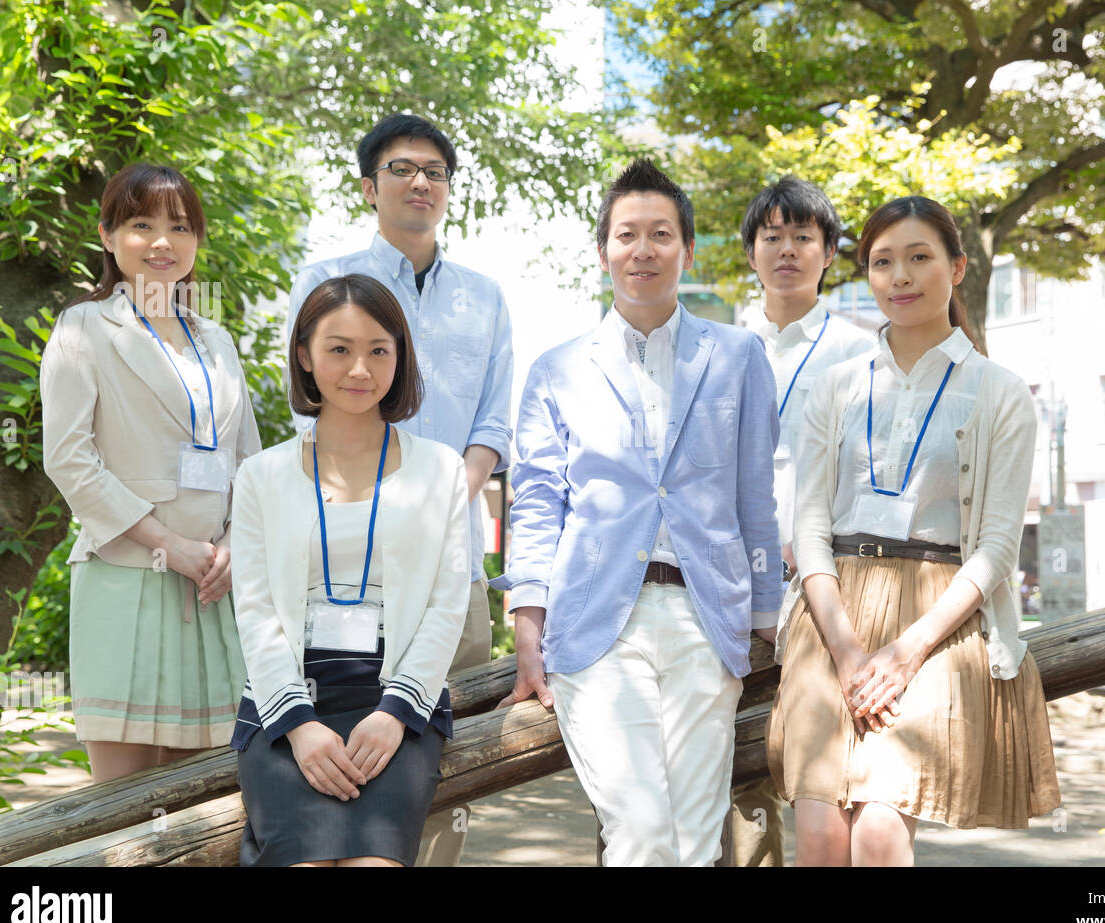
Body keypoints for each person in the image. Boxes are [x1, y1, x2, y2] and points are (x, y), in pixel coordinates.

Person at [493, 158, 782, 866]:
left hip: (705, 616)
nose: (643, 249)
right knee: (642, 830)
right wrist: (527, 628)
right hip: (596, 624)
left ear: (686, 248)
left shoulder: (739, 355)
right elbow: (536, 503)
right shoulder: (557, 368)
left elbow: (755, 498)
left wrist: (768, 618)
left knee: (693, 836)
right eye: (627, 235)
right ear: (604, 252)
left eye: (660, 234)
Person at [767, 195, 1061, 866]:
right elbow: (809, 526)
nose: (899, 276)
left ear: (957, 269)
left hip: (938, 619)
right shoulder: (836, 387)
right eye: (882, 262)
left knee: (877, 834)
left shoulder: (999, 392)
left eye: (919, 258)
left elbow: (995, 548)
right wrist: (845, 651)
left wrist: (903, 654)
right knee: (818, 837)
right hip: (831, 609)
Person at [285, 113, 512, 865]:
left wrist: (451, 492)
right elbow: (305, 411)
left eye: (436, 171)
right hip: (345, 546)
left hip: (449, 546)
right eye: (403, 169)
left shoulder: (486, 297)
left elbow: (493, 422)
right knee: (343, 722)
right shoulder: (325, 282)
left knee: (441, 743)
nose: (421, 182)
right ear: (369, 186)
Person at [231, 274, 469, 867]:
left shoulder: (440, 470)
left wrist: (395, 714)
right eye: (339, 349)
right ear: (305, 357)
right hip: (284, 705)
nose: (359, 368)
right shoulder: (261, 476)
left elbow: (447, 604)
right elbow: (256, 612)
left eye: (378, 351)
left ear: (400, 358)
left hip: (397, 703)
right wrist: (299, 726)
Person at [41, 164, 261, 783]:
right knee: (121, 806)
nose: (163, 241)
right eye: (142, 224)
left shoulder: (216, 339)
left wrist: (228, 547)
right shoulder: (83, 328)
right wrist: (172, 546)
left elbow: (249, 461)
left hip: (213, 587)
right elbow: (69, 458)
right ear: (109, 236)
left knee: (209, 795)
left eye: (180, 225)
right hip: (128, 579)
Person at [728, 176, 873, 867]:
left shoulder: (858, 350)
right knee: (736, 751)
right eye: (772, 237)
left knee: (825, 752)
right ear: (751, 251)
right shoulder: (719, 346)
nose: (786, 250)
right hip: (728, 576)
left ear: (828, 252)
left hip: (823, 581)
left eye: (803, 238)